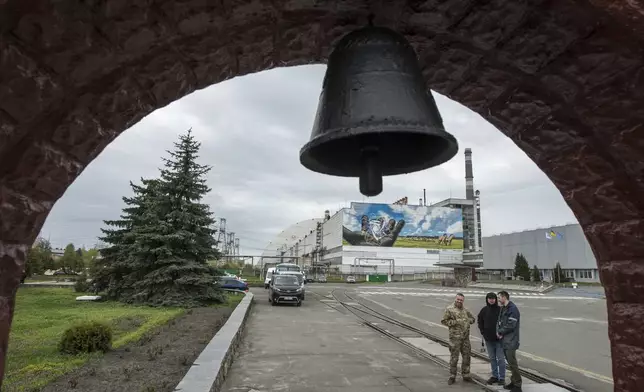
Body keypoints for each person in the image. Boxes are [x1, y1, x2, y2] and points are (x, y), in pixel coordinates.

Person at [441, 293, 476, 385]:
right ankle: (452, 376)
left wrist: (468, 321)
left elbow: (472, 319)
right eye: (458, 299)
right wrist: (455, 322)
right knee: (454, 358)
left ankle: (466, 374)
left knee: (466, 357)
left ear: (463, 300)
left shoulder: (465, 310)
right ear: (455, 299)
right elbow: (444, 321)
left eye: (461, 300)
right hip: (455, 338)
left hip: (465, 338)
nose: (459, 301)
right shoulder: (449, 309)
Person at [477, 292, 505, 385]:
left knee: (500, 359)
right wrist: (482, 331)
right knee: (492, 358)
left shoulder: (500, 310)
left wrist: (502, 332)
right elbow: (479, 320)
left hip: (499, 340)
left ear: (495, 299)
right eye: (489, 298)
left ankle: (502, 378)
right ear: (487, 299)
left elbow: (505, 322)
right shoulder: (484, 310)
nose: (491, 300)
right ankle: (494, 376)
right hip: (488, 339)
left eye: (493, 298)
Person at [497, 290, 522, 392]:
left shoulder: (513, 309)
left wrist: (500, 332)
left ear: (504, 297)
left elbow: (511, 325)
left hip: (511, 341)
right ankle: (514, 381)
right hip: (505, 340)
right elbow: (500, 322)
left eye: (499, 297)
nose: (498, 299)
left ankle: (518, 385)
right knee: (510, 364)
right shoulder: (503, 308)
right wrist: (498, 332)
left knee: (513, 364)